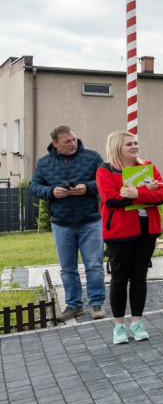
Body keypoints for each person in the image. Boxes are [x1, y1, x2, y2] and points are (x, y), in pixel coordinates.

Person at [96, 131, 163, 344]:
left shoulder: (148, 166)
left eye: (136, 143)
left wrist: (137, 193)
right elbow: (111, 199)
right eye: (129, 144)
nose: (134, 146)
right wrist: (146, 190)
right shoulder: (105, 170)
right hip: (120, 232)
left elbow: (162, 194)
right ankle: (119, 327)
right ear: (117, 147)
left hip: (147, 231)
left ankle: (137, 323)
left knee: (139, 277)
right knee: (119, 279)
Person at [29, 125, 106, 322]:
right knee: (67, 268)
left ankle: (96, 303)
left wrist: (87, 187)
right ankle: (74, 305)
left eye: (74, 139)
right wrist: (51, 192)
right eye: (67, 141)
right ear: (55, 143)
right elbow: (34, 186)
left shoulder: (92, 157)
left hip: (90, 221)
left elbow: (105, 181)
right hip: (61, 223)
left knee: (94, 265)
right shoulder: (44, 163)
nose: (73, 144)